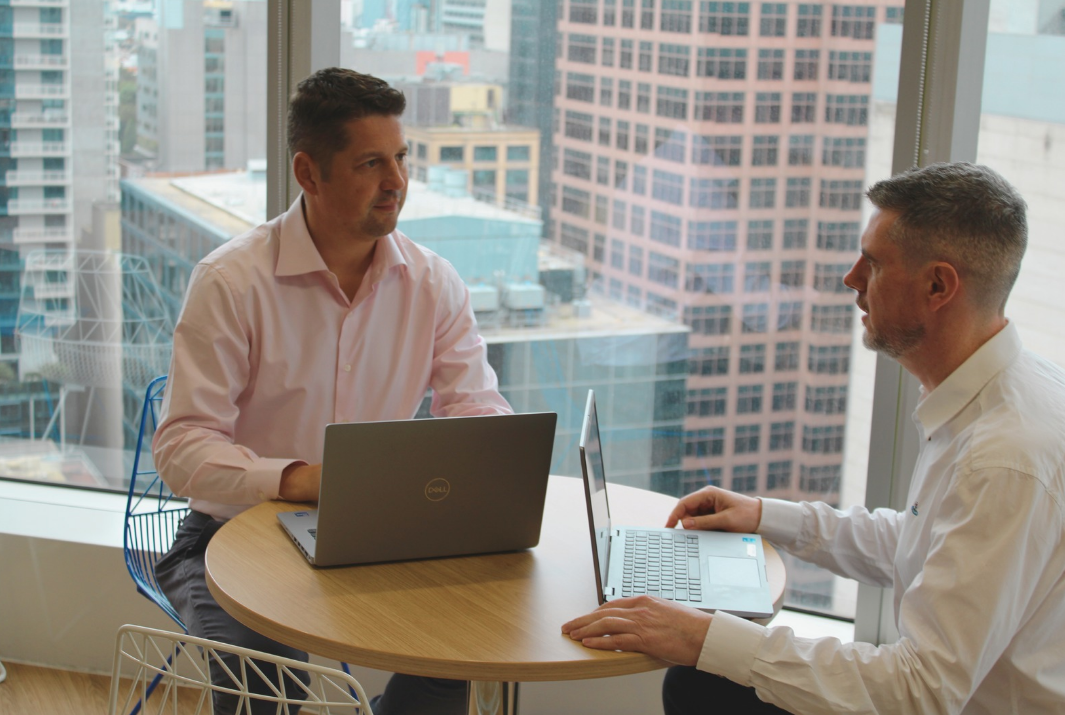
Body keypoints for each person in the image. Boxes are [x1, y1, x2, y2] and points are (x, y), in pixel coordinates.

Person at [562, 162, 1065, 714]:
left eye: (873, 264)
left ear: (938, 286)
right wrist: (765, 516)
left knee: (700, 681)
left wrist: (702, 636)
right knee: (701, 681)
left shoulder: (1002, 459)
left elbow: (920, 692)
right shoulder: (999, 395)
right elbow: (921, 545)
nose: (851, 278)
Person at [152, 67, 510, 715]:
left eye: (400, 157)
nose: (397, 181)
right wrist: (301, 480)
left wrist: (476, 462)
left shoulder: (433, 283)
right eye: (371, 163)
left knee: (459, 650)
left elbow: (478, 412)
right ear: (308, 173)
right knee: (266, 680)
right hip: (230, 534)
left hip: (374, 533)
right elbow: (181, 448)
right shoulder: (232, 281)